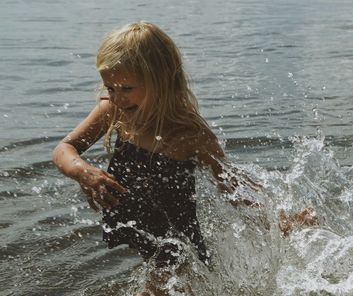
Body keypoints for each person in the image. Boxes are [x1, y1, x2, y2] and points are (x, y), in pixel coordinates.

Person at [52, 21, 317, 296]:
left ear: (161, 80)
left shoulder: (189, 133)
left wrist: (276, 219)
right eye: (110, 87)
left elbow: (230, 183)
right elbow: (64, 148)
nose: (117, 97)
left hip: (174, 237)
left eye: (126, 88)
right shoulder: (112, 111)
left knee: (164, 284)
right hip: (136, 224)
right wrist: (82, 171)